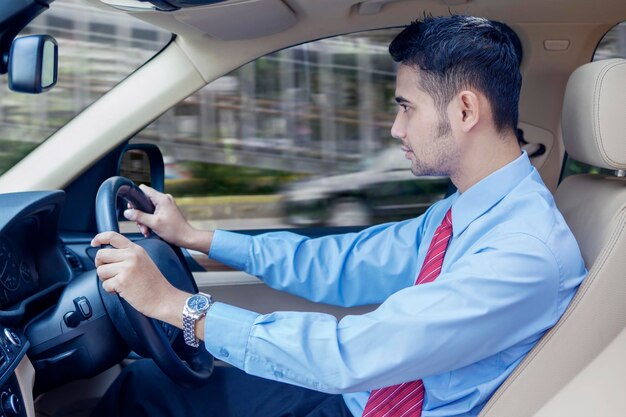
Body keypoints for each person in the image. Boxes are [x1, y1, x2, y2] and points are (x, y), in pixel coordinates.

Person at [90, 15, 586, 417]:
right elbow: (344, 262)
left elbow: (350, 355)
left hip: (373, 398)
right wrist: (198, 237)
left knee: (148, 393)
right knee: (146, 386)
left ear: (463, 111)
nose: (396, 129)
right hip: (362, 397)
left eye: (406, 108)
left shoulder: (522, 253)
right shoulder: (467, 210)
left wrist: (179, 307)